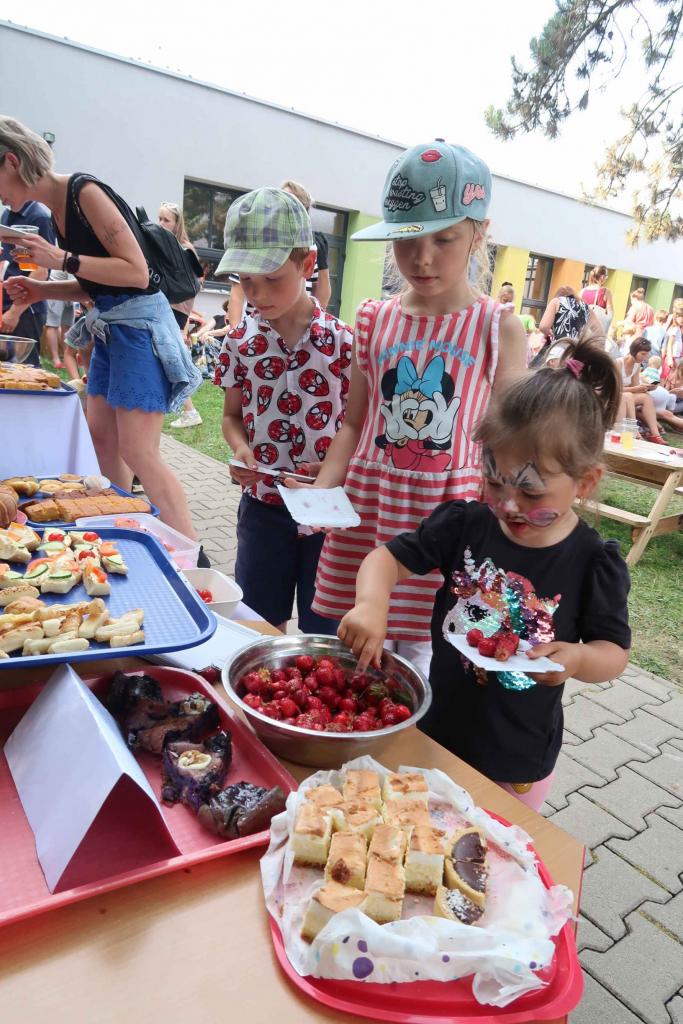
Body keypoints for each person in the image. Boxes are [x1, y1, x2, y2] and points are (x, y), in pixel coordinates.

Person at [339, 337, 631, 811]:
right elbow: (385, 559)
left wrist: (579, 659)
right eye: (494, 482)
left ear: (585, 481)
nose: (509, 505)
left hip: (515, 763)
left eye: (531, 493)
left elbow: (613, 652)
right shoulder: (466, 525)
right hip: (436, 733)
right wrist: (372, 604)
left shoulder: (592, 561)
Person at [290, 140, 526, 677]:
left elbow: (512, 443)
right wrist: (323, 490)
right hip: (371, 511)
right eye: (408, 240)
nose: (422, 258)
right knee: (359, 661)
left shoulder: (498, 328)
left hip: (445, 518)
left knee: (427, 661)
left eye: (444, 239)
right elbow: (355, 422)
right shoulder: (373, 319)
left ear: (479, 233)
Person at [0, 116, 201, 538]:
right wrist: (40, 290)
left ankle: (189, 556)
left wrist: (60, 260)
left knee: (139, 451)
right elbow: (100, 285)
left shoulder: (83, 192)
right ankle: (126, 532)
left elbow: (137, 274)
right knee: (103, 443)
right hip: (112, 330)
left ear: (12, 162)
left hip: (141, 331)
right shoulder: (57, 210)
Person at [214, 187, 352, 633]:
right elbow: (231, 416)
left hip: (326, 512)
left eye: (272, 278)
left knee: (325, 628)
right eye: (246, 280)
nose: (258, 293)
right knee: (257, 622)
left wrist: (339, 466)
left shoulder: (344, 343)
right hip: (264, 509)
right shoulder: (240, 343)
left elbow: (360, 423)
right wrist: (240, 450)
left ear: (307, 265)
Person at [227, 179, 331, 325]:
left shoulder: (310, 247)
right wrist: (235, 331)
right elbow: (237, 295)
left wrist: (323, 266)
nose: (258, 294)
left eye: (273, 278)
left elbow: (321, 298)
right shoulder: (253, 243)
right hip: (257, 327)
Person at [158, 201, 203, 429]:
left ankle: (190, 411)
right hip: (166, 307)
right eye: (159, 218)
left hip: (176, 310)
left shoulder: (185, 249)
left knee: (172, 360)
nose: (161, 224)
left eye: (166, 220)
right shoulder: (167, 245)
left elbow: (195, 285)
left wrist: (184, 325)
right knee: (167, 359)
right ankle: (187, 410)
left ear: (177, 224)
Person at [0, 188, 54, 367]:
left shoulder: (40, 217)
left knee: (24, 368)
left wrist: (14, 312)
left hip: (25, 309)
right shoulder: (7, 215)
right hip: (6, 303)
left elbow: (42, 270)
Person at [617, 337, 670, 443]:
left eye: (646, 354)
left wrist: (648, 387)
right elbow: (613, 388)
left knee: (646, 397)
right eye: (643, 354)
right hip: (614, 394)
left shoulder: (636, 365)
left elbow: (635, 386)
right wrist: (635, 388)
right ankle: (635, 432)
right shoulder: (618, 363)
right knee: (628, 395)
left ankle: (655, 434)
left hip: (626, 395)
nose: (645, 357)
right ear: (634, 351)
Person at [44, 268, 78, 375]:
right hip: (55, 291)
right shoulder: (75, 262)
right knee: (53, 326)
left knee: (67, 326)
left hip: (69, 294)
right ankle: (56, 359)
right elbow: (75, 283)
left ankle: (67, 357)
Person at [580, 265, 613, 332]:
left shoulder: (582, 291)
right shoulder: (606, 292)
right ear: (602, 277)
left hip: (582, 329)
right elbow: (610, 314)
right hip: (596, 331)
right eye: (606, 277)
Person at [662, 307, 683, 380]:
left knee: (670, 378)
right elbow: (669, 344)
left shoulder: (678, 328)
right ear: (675, 317)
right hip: (672, 357)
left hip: (676, 357)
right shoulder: (674, 328)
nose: (682, 319)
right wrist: (670, 358)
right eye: (681, 317)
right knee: (665, 377)